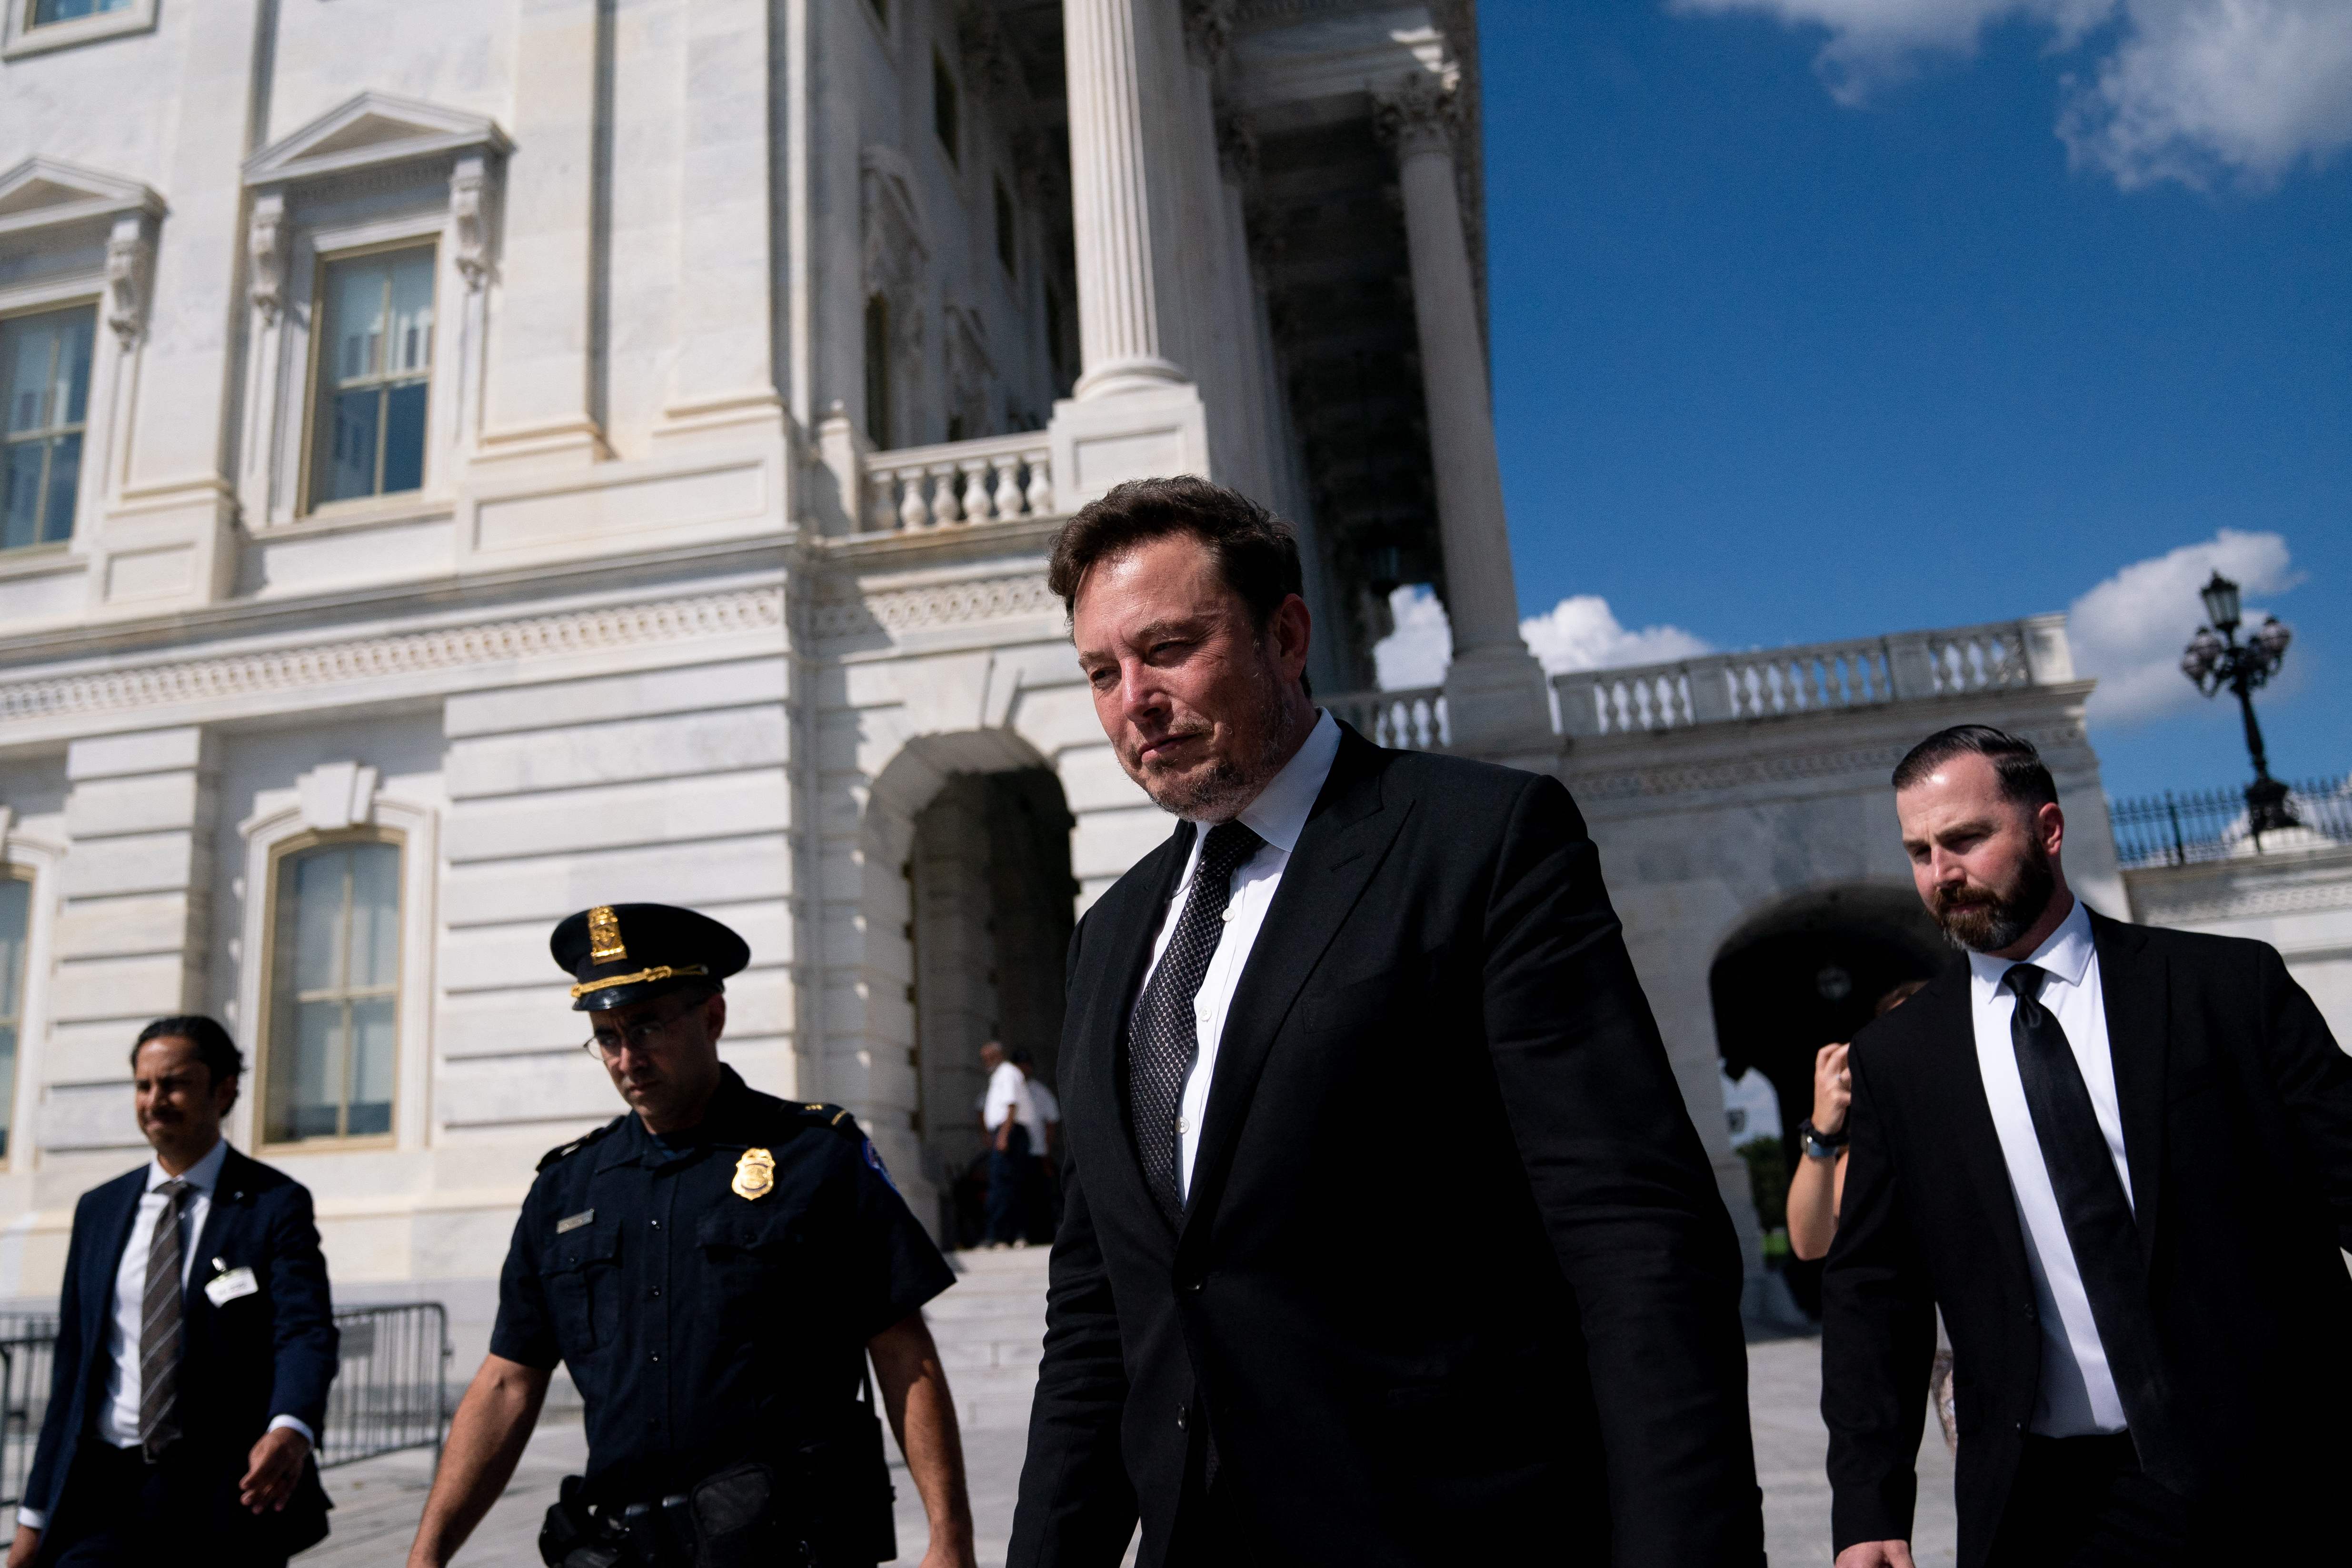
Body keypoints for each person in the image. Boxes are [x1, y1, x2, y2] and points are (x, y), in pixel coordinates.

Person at [1007, 477, 1763, 1568]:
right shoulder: (1113, 933)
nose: (1134, 699)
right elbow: (1098, 1306)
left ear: (1285, 633)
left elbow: (1634, 1241)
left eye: (1168, 648)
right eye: (1100, 671)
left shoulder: (1479, 842)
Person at [1824, 725, 2352, 1568]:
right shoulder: (1901, 1058)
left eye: (1965, 838)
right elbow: (1873, 1291)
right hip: (2058, 1506)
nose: (1941, 873)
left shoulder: (2226, 988)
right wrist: (1868, 1503)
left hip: (2285, 1471)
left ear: (2049, 829)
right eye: (1920, 850)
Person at [404, 904, 977, 1568]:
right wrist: (428, 1554)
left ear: (712, 1017)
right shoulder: (567, 1189)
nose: (626, 1058)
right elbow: (507, 1381)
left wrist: (950, 1540)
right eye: (606, 1036)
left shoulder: (812, 1157)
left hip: (788, 1547)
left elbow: (904, 1352)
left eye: (645, 1026)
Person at [12, 1017, 337, 1568]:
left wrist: (290, 1428)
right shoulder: (100, 1210)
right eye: (144, 1085)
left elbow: (303, 1330)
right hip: (104, 1494)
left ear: (225, 1088)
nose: (155, 1100)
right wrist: (32, 1521)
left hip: (222, 1499)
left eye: (174, 1083)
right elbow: (73, 1371)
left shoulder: (273, 1204)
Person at [980, 1041, 1040, 1249]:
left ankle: (999, 1235)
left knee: (1004, 1185)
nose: (985, 1061)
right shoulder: (1000, 1075)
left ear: (997, 1055)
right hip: (1007, 1131)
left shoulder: (1007, 1072)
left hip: (1011, 1132)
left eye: (988, 1057)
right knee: (1009, 1184)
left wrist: (1003, 1136)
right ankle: (1010, 1234)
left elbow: (1011, 1104)